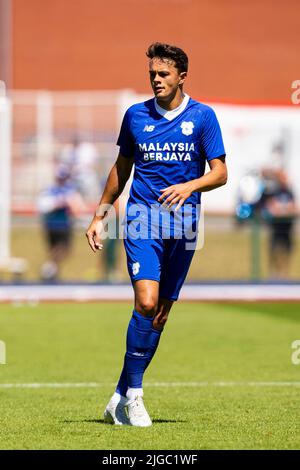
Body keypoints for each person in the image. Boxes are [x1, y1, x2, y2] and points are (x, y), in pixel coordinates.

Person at [86, 42, 227, 426]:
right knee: (146, 303)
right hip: (141, 221)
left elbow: (220, 172)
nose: (156, 80)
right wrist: (100, 215)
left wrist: (191, 186)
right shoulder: (135, 116)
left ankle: (118, 395)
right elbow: (121, 168)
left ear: (182, 76)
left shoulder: (203, 117)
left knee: (160, 314)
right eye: (152, 74)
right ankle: (135, 397)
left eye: (163, 74)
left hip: (185, 227)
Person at [38, 165, 84, 281]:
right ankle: (50, 269)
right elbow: (43, 206)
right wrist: (59, 203)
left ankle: (52, 271)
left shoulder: (70, 190)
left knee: (62, 250)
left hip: (64, 224)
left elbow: (77, 207)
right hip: (54, 225)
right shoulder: (50, 190)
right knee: (59, 249)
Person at [260, 168, 297, 279]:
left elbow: (293, 207)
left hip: (287, 227)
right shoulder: (274, 191)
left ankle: (285, 274)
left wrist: (283, 209)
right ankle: (273, 273)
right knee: (274, 250)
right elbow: (271, 206)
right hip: (276, 227)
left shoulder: (289, 191)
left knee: (287, 250)